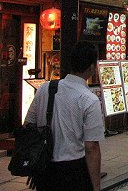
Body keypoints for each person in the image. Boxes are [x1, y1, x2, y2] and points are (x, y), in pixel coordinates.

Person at [24, 41, 104, 191]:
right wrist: (96, 186)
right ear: (92, 67)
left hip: (44, 168)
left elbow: (28, 124)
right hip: (73, 169)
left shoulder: (45, 88)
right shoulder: (89, 99)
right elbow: (91, 147)